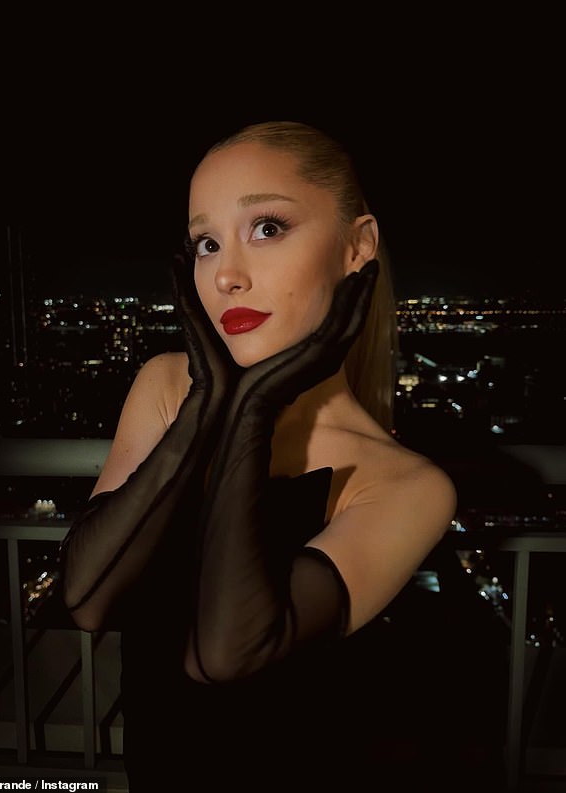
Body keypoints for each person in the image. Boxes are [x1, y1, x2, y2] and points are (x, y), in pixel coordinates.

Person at [58, 120, 495, 790]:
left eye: (266, 228)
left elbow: (225, 656)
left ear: (358, 246)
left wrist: (253, 408)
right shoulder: (168, 388)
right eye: (206, 243)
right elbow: (86, 598)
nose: (226, 275)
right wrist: (208, 404)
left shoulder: (406, 483)